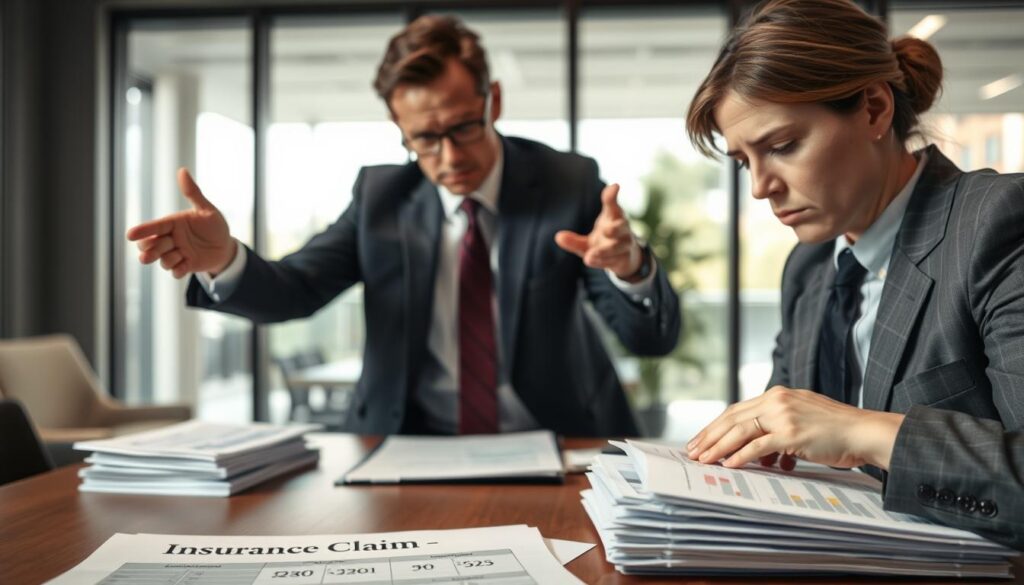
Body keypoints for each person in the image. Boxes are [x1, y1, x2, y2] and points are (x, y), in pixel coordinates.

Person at [126, 15, 681, 437]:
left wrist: (630, 268)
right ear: (399, 126)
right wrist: (226, 259)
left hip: (556, 438)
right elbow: (295, 290)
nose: (448, 157)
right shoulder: (380, 198)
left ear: (494, 100)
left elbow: (650, 339)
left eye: (464, 127)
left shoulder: (567, 182)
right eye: (424, 139)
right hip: (410, 444)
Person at [683, 0, 1024, 548]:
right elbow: (785, 433)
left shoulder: (996, 224)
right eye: (746, 161)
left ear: (872, 109)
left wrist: (864, 431)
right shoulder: (809, 266)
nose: (760, 187)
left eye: (782, 146)